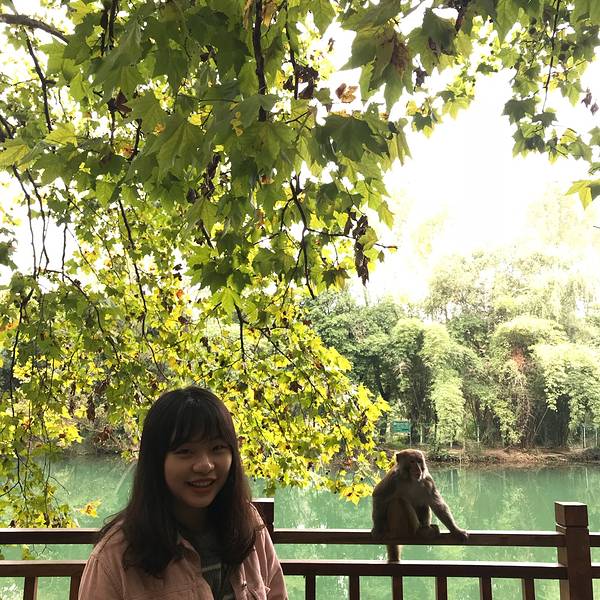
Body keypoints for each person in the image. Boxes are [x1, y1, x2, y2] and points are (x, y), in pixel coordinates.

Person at [78, 386, 288, 599]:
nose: (205, 465)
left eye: (217, 448)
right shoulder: (115, 557)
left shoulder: (247, 525)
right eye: (185, 451)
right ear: (156, 461)